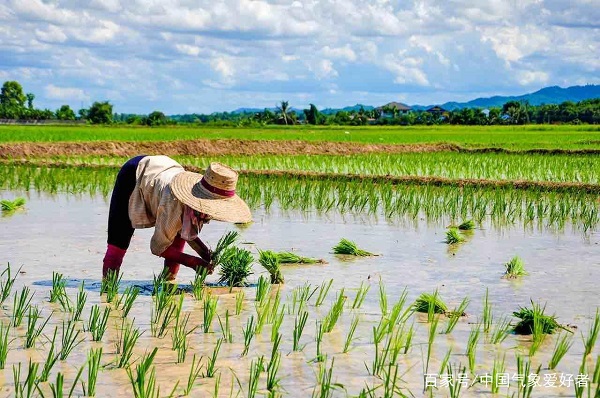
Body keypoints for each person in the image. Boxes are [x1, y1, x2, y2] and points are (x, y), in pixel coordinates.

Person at [102, 155, 252, 280]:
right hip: (134, 173)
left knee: (178, 232)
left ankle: (168, 282)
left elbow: (186, 230)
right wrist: (192, 262)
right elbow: (157, 247)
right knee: (119, 240)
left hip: (165, 168)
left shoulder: (204, 204)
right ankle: (108, 287)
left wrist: (205, 253)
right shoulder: (172, 203)